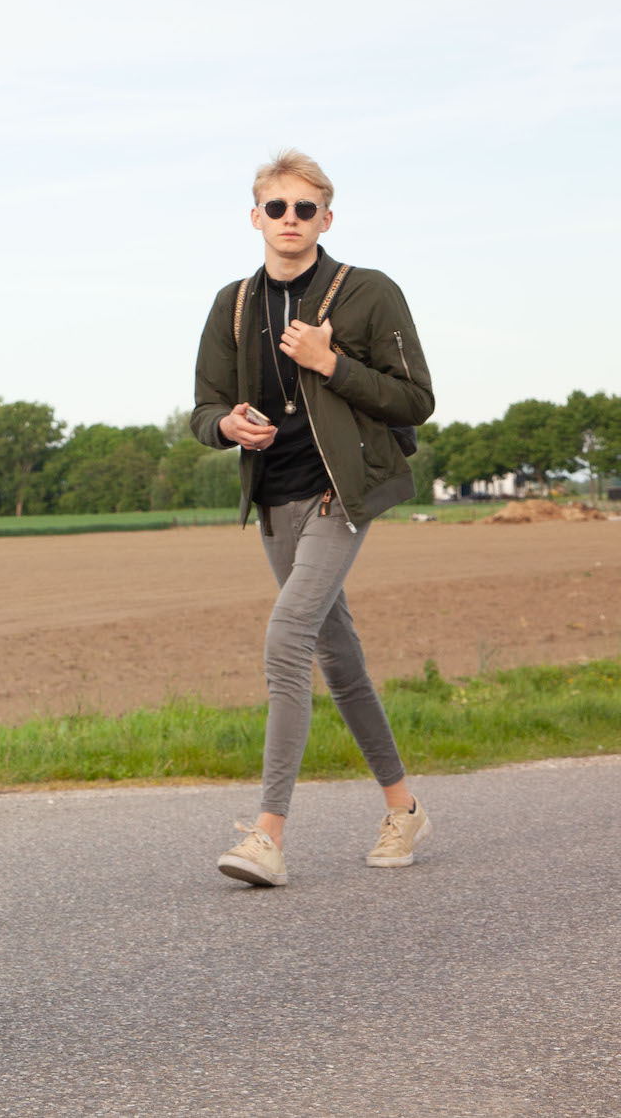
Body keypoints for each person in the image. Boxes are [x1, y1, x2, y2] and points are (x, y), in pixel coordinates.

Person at [190, 148, 436, 889]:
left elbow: (416, 399)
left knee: (288, 636)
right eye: (277, 207)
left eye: (306, 208)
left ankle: (267, 835)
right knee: (338, 655)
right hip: (275, 499)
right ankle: (404, 807)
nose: (290, 219)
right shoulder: (233, 304)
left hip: (341, 496)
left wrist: (333, 365)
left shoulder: (368, 292)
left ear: (327, 219)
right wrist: (227, 426)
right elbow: (203, 408)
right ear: (255, 217)